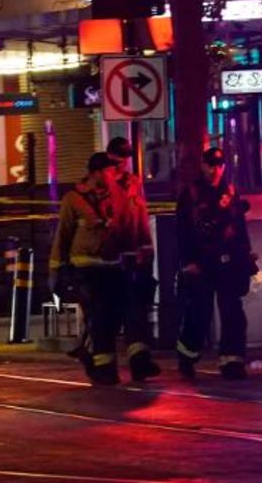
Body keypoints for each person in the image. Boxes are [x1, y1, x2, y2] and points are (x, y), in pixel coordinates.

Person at [49, 153, 156, 386]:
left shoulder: (116, 197)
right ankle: (104, 368)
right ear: (96, 172)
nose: (113, 175)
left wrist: (140, 256)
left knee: (124, 312)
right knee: (100, 317)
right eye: (108, 171)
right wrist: (55, 271)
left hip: (113, 266)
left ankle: (122, 361)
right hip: (86, 269)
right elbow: (62, 236)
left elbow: (129, 228)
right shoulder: (73, 199)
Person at [175, 147, 258, 380]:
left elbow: (239, 227)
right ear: (203, 165)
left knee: (232, 311)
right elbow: (182, 231)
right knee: (199, 311)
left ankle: (232, 361)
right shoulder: (190, 194)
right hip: (201, 262)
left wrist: (247, 255)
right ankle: (187, 355)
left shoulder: (230, 192)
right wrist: (188, 261)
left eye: (219, 165)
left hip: (228, 261)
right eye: (210, 165)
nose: (215, 170)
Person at [105, 137, 159, 381]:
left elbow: (141, 216)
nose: (122, 164)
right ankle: (98, 360)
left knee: (135, 309)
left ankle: (139, 361)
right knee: (109, 313)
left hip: (132, 257)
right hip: (107, 260)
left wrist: (147, 250)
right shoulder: (100, 184)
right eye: (118, 159)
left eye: (125, 159)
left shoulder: (134, 183)